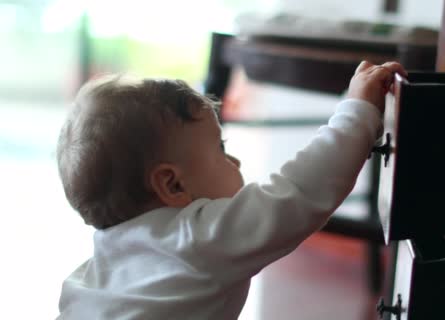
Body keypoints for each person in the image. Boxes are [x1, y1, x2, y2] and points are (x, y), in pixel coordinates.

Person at [56, 60, 407, 319]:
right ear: (173, 185)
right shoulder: (198, 236)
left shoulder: (89, 276)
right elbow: (301, 190)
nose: (235, 162)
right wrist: (357, 112)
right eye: (221, 149)